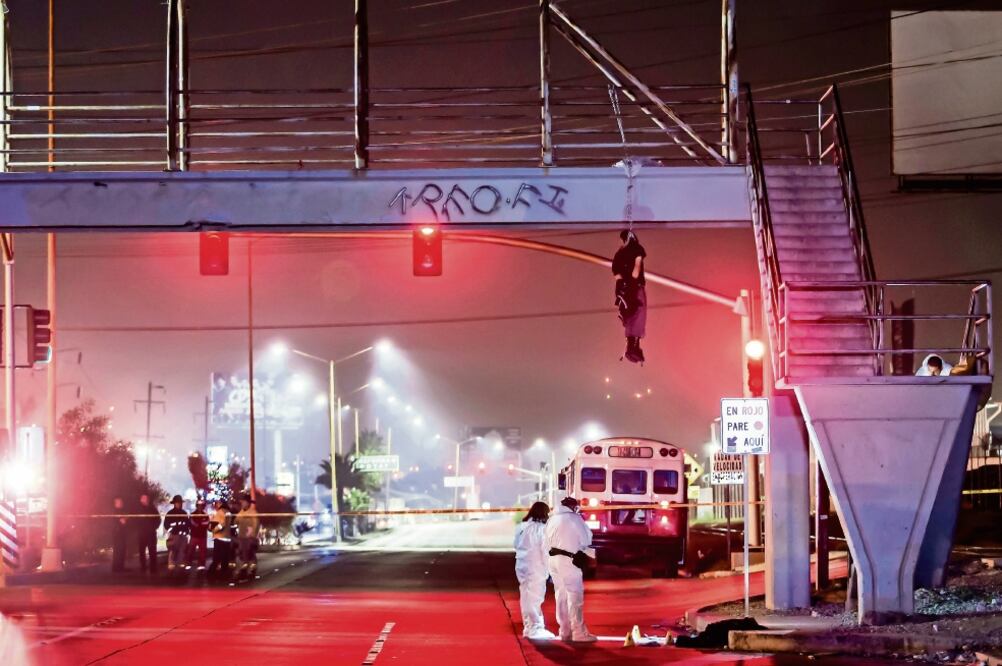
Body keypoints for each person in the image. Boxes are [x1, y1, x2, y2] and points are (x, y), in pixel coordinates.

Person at [545, 497, 597, 643]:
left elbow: (545, 540)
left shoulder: (552, 519)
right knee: (575, 597)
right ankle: (579, 633)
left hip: (553, 561)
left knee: (560, 596)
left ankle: (564, 631)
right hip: (569, 561)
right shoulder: (574, 519)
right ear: (573, 507)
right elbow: (587, 539)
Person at [514, 501, 555, 640]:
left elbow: (516, 545)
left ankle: (529, 626)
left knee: (526, 597)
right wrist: (551, 570)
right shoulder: (542, 529)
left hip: (521, 566)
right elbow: (545, 552)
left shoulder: (521, 527)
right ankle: (535, 628)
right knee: (535, 598)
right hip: (536, 566)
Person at [612, 230, 647, 364]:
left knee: (631, 316)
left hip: (623, 290)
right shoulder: (637, 249)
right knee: (638, 313)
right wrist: (632, 282)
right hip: (635, 287)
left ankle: (633, 346)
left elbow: (616, 273)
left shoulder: (619, 254)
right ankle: (633, 347)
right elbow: (637, 267)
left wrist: (623, 285)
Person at [163, 495, 191, 572]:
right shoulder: (170, 513)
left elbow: (188, 524)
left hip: (183, 536)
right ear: (174, 503)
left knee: (182, 552)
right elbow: (166, 525)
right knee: (172, 551)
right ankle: (171, 568)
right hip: (174, 536)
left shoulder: (184, 513)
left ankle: (180, 569)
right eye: (177, 503)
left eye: (180, 503)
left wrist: (186, 532)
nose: (179, 504)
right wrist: (172, 530)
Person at [235, 495, 260, 578]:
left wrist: (253, 536)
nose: (242, 504)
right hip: (241, 537)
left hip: (250, 537)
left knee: (250, 554)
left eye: (243, 502)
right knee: (243, 554)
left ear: (248, 503)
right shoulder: (241, 512)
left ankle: (252, 570)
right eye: (241, 502)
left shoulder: (253, 512)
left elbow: (256, 524)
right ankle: (244, 569)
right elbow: (236, 521)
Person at [136, 493, 161, 574]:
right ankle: (143, 567)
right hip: (142, 534)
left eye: (145, 498)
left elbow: (158, 519)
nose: (144, 499)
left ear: (148, 499)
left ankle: (153, 568)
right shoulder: (138, 509)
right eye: (142, 498)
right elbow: (135, 520)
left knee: (152, 551)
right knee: (141, 551)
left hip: (151, 534)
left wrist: (154, 528)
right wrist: (139, 529)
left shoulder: (152, 509)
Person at [208, 499, 233, 580]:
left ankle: (211, 574)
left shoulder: (220, 512)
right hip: (227, 538)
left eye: (217, 503)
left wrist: (214, 530)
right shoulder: (228, 512)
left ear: (221, 503)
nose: (216, 505)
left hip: (219, 537)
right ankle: (224, 574)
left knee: (216, 558)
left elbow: (222, 523)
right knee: (225, 558)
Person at [188, 500, 210, 571]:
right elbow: (191, 524)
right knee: (190, 551)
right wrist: (200, 524)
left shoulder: (206, 515)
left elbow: (206, 524)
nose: (200, 507)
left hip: (202, 536)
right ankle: (188, 563)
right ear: (197, 506)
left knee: (202, 552)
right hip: (194, 536)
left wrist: (198, 525)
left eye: (201, 505)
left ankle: (201, 565)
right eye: (199, 505)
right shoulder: (192, 514)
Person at [110, 497, 128, 573]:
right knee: (118, 551)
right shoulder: (115, 511)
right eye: (119, 502)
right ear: (115, 503)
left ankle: (120, 567)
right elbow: (122, 521)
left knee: (122, 550)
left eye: (121, 502)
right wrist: (124, 519)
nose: (120, 503)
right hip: (117, 534)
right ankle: (116, 568)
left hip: (121, 533)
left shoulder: (121, 511)